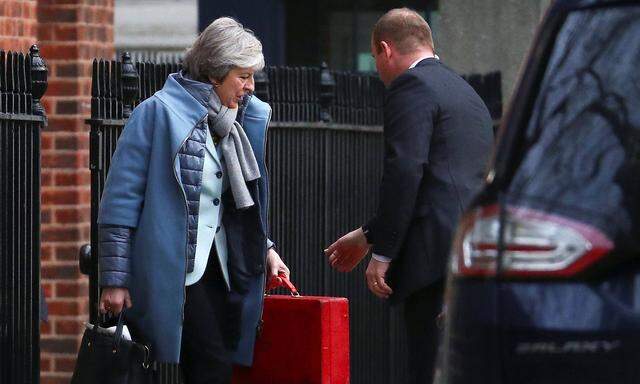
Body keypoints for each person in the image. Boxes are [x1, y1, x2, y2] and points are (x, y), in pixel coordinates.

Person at [97, 17, 289, 384]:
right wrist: (115, 280)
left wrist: (265, 249)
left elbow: (235, 206)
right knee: (212, 365)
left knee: (214, 367)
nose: (250, 87)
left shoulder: (235, 123)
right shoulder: (155, 113)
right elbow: (119, 205)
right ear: (216, 73)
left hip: (224, 269)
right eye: (242, 76)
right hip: (177, 271)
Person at [325, 8, 493, 384]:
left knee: (428, 367)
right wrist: (367, 235)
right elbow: (442, 182)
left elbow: (406, 170)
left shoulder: (411, 86)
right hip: (468, 253)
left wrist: (383, 253)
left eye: (374, 58)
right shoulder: (465, 93)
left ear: (385, 50)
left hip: (432, 261)